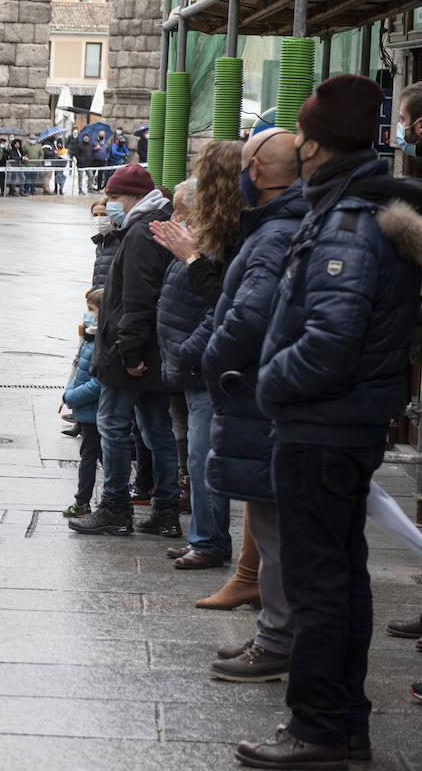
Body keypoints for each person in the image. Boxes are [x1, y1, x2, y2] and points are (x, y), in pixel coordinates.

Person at [236, 75, 422, 768]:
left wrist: (270, 382)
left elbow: (331, 338)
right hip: (344, 425)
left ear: (312, 142)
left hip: (322, 426)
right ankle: (345, 725)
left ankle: (315, 727)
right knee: (342, 578)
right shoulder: (359, 204)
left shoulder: (347, 220)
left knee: (321, 584)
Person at [190, 129, 304, 693]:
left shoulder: (273, 233)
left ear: (255, 170)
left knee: (276, 527)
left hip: (261, 395)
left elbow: (246, 315)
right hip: (267, 396)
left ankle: (278, 639)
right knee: (269, 519)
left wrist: (213, 363)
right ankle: (272, 630)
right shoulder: (279, 227)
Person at [68, 163, 181, 538]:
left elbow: (137, 299)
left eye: (113, 198)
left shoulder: (139, 233)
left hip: (130, 353)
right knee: (157, 430)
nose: (110, 205)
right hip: (154, 349)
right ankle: (165, 510)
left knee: (113, 428)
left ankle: (115, 507)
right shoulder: (157, 223)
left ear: (131, 196)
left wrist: (129, 353)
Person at [153, 155, 240, 572]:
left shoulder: (215, 246)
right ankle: (205, 537)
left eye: (181, 209)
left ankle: (208, 541)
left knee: (204, 457)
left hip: (201, 365)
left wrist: (189, 349)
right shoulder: (199, 243)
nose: (174, 215)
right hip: (190, 366)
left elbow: (219, 305)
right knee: (197, 456)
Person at [62, 288, 104, 517]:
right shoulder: (91, 339)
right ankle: (118, 498)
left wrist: (71, 397)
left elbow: (96, 384)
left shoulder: (99, 343)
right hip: (89, 411)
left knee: (89, 457)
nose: (86, 314)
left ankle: (82, 503)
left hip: (93, 412)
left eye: (91, 310)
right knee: (101, 455)